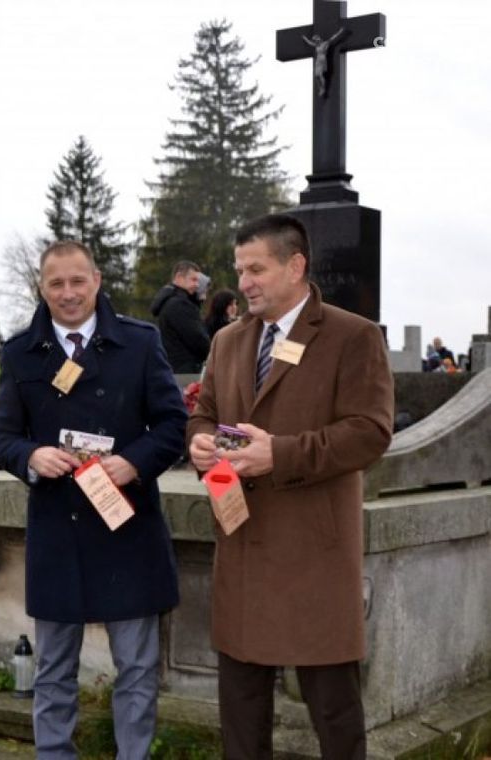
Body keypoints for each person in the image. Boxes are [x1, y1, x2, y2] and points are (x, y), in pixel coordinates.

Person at [187, 214, 394, 760]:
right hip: (244, 546)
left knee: (334, 714)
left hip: (313, 556)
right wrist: (201, 444)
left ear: (296, 266)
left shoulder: (354, 336)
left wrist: (277, 454)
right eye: (240, 269)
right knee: (242, 714)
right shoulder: (228, 341)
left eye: (257, 268)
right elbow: (204, 415)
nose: (245, 281)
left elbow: (369, 433)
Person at [0, 241, 187, 760]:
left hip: (127, 527)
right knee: (54, 669)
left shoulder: (141, 343)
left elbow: (172, 425)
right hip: (59, 528)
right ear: (42, 288)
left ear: (97, 280)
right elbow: (2, 437)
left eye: (78, 281)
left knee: (138, 668)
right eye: (57, 283)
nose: (69, 293)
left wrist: (134, 462)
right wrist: (32, 456)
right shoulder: (19, 353)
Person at [150, 260, 212, 373]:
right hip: (185, 372)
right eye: (193, 280)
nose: (197, 285)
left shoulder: (170, 302)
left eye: (198, 281)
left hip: (176, 369)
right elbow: (199, 341)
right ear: (179, 277)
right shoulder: (180, 305)